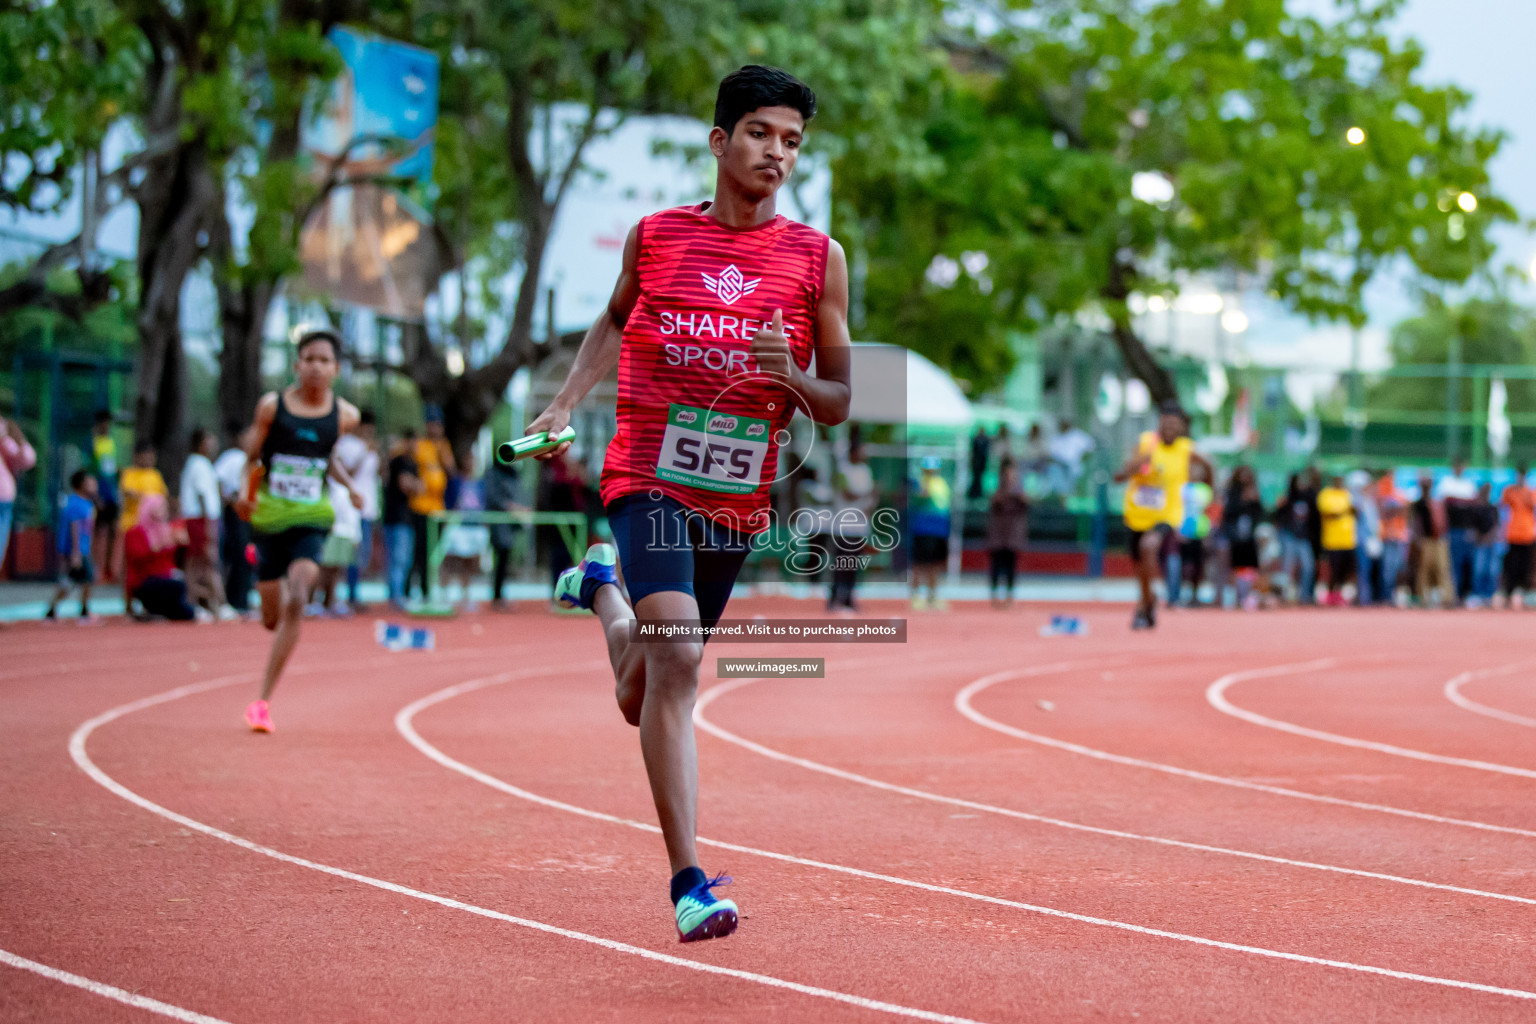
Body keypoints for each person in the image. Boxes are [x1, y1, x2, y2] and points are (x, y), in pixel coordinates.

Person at [523, 65, 851, 944]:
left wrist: (793, 376)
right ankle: (688, 882)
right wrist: (562, 405)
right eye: (759, 134)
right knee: (681, 661)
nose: (776, 153)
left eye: (791, 141)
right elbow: (612, 319)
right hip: (649, 476)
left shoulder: (819, 259)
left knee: (644, 688)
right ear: (720, 142)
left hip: (735, 501)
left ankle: (599, 589)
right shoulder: (657, 236)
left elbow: (843, 399)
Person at [238, 327, 363, 733]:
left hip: (313, 515)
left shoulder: (345, 416)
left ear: (336, 369)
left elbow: (323, 456)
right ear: (297, 365)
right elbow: (251, 458)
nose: (316, 366)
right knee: (272, 617)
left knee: (301, 588)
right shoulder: (272, 407)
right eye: (309, 358)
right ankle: (270, 588)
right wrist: (245, 494)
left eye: (324, 360)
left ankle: (262, 702)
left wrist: (348, 485)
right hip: (271, 517)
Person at [1114, 400, 1211, 629]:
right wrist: (1138, 464)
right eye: (1165, 424)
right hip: (1137, 514)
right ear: (1159, 424)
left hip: (1167, 514)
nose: (1169, 429)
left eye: (1174, 425)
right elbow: (1120, 475)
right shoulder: (1146, 443)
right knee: (1139, 567)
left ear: (1180, 428)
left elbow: (1208, 467)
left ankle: (1144, 605)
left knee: (1149, 546)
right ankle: (1147, 601)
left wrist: (1208, 492)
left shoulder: (1187, 449)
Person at [180, 427, 235, 619]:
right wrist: (209, 528)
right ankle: (217, 604)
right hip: (202, 519)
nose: (214, 444)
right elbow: (203, 496)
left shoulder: (198, 463)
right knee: (206, 561)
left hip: (203, 518)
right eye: (211, 439)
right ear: (202, 442)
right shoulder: (199, 464)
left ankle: (202, 604)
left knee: (200, 563)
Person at [123, 494, 200, 621]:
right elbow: (136, 559)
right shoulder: (135, 532)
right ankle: (150, 609)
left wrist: (182, 542)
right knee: (175, 586)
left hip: (168, 577)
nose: (163, 511)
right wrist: (158, 546)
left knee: (187, 612)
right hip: (145, 580)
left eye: (164, 507)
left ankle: (160, 611)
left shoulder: (167, 530)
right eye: (159, 507)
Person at [334, 407, 380, 608]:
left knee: (364, 553)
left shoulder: (371, 447)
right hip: (351, 507)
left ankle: (355, 592)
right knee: (350, 552)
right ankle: (349, 595)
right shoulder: (348, 445)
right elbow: (347, 473)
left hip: (369, 506)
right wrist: (364, 454)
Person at [408, 407, 454, 599]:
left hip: (438, 509)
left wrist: (442, 450)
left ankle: (427, 588)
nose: (436, 428)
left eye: (438, 424)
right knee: (420, 552)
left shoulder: (443, 446)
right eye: (432, 424)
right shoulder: (419, 445)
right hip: (420, 506)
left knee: (433, 553)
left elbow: (451, 469)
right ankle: (416, 589)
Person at [827, 437, 877, 612]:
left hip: (859, 526)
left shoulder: (865, 470)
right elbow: (847, 493)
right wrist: (865, 495)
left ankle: (848, 598)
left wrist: (867, 504)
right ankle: (834, 598)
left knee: (854, 563)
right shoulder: (842, 470)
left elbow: (872, 496)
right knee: (841, 562)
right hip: (843, 524)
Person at [46, 470, 98, 622]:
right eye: (90, 483)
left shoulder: (86, 503)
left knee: (75, 580)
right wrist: (76, 552)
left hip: (82, 549)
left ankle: (55, 610)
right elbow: (75, 528)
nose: (95, 486)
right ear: (82, 484)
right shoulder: (77, 504)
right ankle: (83, 612)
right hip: (77, 550)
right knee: (84, 578)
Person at [440, 454, 490, 612]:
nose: (470, 463)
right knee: (450, 561)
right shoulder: (455, 481)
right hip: (457, 525)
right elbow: (447, 500)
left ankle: (466, 595)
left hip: (474, 526)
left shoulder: (480, 483)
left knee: (471, 562)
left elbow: (484, 503)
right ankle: (444, 595)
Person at [216, 424, 256, 614]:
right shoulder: (232, 457)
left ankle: (242, 598)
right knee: (238, 555)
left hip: (249, 513)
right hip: (235, 513)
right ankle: (236, 600)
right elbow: (218, 482)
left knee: (247, 556)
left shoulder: (251, 459)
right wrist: (230, 502)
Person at [116, 440, 167, 589]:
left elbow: (162, 498)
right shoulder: (129, 474)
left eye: (152, 456)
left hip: (151, 530)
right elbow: (128, 492)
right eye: (146, 456)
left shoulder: (155, 475)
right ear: (138, 457)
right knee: (129, 565)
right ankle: (128, 600)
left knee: (148, 565)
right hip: (131, 525)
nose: (149, 459)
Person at [308, 478, 363, 618]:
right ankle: (313, 602)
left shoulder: (349, 488)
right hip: (332, 531)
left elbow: (354, 514)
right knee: (323, 569)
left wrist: (356, 535)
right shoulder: (331, 486)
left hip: (344, 533)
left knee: (334, 571)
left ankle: (328, 602)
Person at [382, 431, 422, 610]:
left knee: (402, 560)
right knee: (398, 559)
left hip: (404, 517)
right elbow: (407, 484)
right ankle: (395, 598)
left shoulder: (410, 463)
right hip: (396, 518)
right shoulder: (401, 461)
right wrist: (417, 484)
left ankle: (397, 596)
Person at [483, 457, 527, 609]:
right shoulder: (492, 474)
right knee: (499, 559)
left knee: (504, 560)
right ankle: (497, 596)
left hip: (509, 524)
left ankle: (499, 595)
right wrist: (511, 507)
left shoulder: (513, 474)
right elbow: (493, 498)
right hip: (497, 523)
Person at [910, 456, 952, 609]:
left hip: (939, 530)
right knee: (920, 563)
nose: (931, 472)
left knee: (934, 564)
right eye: (928, 469)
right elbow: (918, 499)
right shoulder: (920, 483)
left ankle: (932, 596)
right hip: (923, 529)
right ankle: (916, 595)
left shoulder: (942, 484)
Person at [1223, 465, 1267, 611]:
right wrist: (1243, 501)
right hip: (1235, 536)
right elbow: (1228, 512)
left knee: (1251, 568)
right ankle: (1234, 598)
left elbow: (1260, 514)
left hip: (1250, 536)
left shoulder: (1254, 492)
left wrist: (1254, 500)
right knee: (1235, 567)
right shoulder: (1232, 492)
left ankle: (1249, 597)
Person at [985, 460, 1028, 608]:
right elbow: (994, 504)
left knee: (1011, 568)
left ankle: (1009, 597)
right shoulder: (998, 494)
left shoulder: (1020, 496)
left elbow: (1026, 506)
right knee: (996, 567)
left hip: (1012, 538)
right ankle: (994, 596)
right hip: (998, 537)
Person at [1436, 458, 1478, 605]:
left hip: (1466, 531)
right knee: (1453, 565)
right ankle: (1452, 596)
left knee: (1468, 564)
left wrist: (1457, 501)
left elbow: (1473, 506)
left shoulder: (1468, 484)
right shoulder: (1446, 483)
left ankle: (1466, 595)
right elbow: (1444, 504)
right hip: (1452, 531)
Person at [1170, 464, 1213, 606]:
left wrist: (1208, 532)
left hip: (1200, 532)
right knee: (1182, 566)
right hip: (1183, 532)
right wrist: (1177, 529)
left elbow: (1209, 512)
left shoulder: (1205, 490)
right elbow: (1176, 509)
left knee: (1198, 566)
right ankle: (1179, 595)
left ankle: (1194, 596)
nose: (1194, 474)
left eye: (1196, 472)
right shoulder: (1182, 488)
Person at [1275, 468, 1319, 604]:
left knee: (1308, 566)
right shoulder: (1289, 498)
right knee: (1287, 567)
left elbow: (1315, 518)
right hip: (1289, 536)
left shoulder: (1309, 496)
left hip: (1303, 538)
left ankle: (1304, 596)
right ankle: (1284, 596)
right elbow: (1277, 516)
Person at [0, 414, 36, 574]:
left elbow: (26, 459)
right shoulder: (5, 439)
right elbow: (26, 458)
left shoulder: (5, 442)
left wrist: (17, 439)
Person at [1411, 472, 1451, 607]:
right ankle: (1424, 598)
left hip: (1438, 540)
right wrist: (1418, 540)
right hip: (1425, 540)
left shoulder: (1435, 502)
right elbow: (1415, 523)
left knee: (1441, 569)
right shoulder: (1418, 504)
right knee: (1424, 570)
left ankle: (1445, 598)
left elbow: (1442, 521)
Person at [88, 410, 120, 580]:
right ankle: (93, 568)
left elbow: (113, 470)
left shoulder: (111, 442)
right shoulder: (93, 442)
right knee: (96, 531)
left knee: (112, 530)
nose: (107, 426)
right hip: (99, 495)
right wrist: (94, 496)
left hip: (111, 495)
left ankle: (108, 568)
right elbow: (90, 471)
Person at [1317, 473, 1356, 606]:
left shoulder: (1347, 494)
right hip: (1332, 540)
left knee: (1346, 571)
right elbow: (1327, 513)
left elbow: (1354, 510)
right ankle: (1330, 595)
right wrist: (1343, 511)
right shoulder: (1326, 494)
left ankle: (1339, 595)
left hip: (1347, 540)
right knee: (1332, 571)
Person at [1499, 463, 1534, 608]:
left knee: (1526, 567)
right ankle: (1510, 594)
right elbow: (1502, 506)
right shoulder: (1509, 491)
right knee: (1511, 566)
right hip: (1513, 535)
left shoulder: (1530, 492)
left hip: (1527, 535)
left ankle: (1525, 594)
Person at [1346, 470, 1382, 606]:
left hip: (1371, 540)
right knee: (1363, 570)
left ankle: (1369, 597)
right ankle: (1363, 599)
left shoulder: (1369, 501)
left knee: (1371, 571)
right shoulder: (1356, 501)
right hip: (1361, 541)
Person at [1375, 470, 1410, 606]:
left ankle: (1395, 596)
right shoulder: (1383, 488)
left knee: (1399, 568)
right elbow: (1383, 509)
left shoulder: (1399, 491)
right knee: (1387, 569)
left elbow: (1404, 510)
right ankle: (1386, 596)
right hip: (1388, 536)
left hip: (1400, 536)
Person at [1046, 417, 1096, 497]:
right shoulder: (1055, 438)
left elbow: (1090, 448)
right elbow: (1050, 455)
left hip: (1075, 466)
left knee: (1073, 479)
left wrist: (1082, 459)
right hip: (1059, 467)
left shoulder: (1078, 435)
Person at [1470, 482, 1500, 608]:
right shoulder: (1477, 509)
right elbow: (1473, 528)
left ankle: (1489, 596)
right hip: (1480, 543)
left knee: (1491, 571)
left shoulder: (1493, 508)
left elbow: (1496, 526)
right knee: (1479, 570)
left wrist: (1489, 538)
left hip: (1491, 543)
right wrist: (1480, 539)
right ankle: (1478, 595)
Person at [967, 425, 990, 499]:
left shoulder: (982, 440)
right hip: (977, 462)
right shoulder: (977, 439)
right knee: (976, 478)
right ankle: (975, 493)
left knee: (979, 478)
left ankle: (977, 493)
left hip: (980, 462)